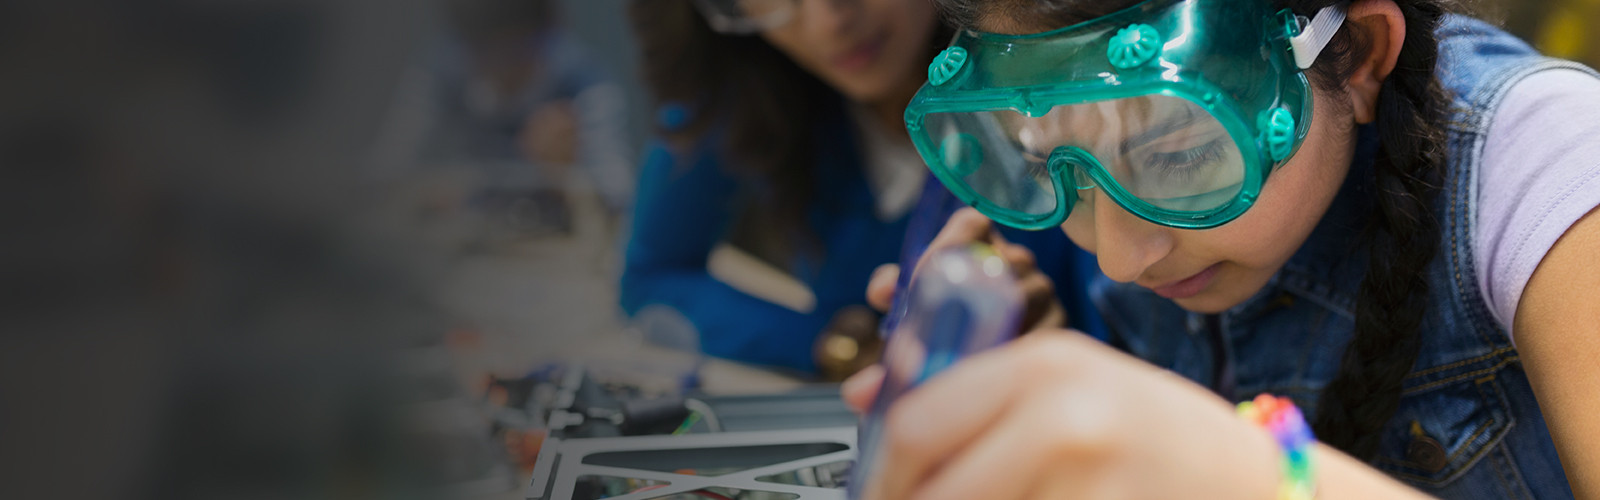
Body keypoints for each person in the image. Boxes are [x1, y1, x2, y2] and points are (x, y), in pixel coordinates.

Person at [846, 0, 1600, 498]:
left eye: (1175, 157)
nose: (1119, 261)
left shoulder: (1555, 164)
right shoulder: (1175, 249)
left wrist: (1253, 475)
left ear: (1362, 53)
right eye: (1047, 164)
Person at [623, 0, 1107, 376]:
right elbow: (652, 277)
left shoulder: (1059, 80)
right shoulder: (743, 85)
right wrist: (835, 343)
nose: (829, 22)